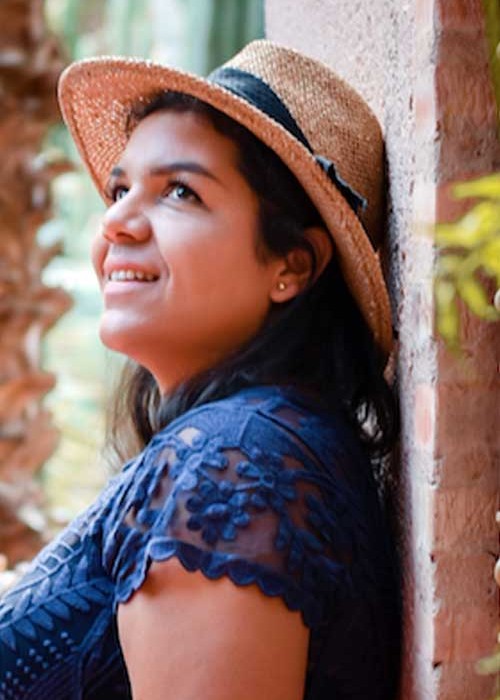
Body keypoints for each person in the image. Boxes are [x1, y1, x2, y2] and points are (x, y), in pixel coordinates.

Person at [0, 40, 401, 699]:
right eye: (120, 188)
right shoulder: (253, 445)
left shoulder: (233, 465)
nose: (118, 223)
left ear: (292, 266)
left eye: (179, 192)